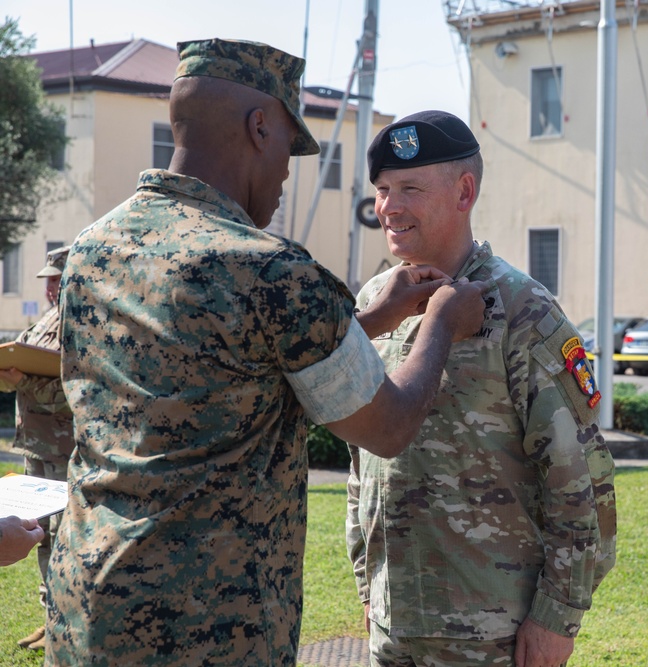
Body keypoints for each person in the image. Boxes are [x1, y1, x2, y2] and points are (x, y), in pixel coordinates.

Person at [44, 41, 485, 667]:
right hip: (207, 631)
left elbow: (222, 365)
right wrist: (442, 322)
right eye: (287, 146)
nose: (285, 172)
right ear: (259, 127)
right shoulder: (267, 270)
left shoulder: (93, 249)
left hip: (85, 607)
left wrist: (374, 318)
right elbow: (386, 427)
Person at [347, 110, 617, 667]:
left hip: (489, 636)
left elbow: (581, 483)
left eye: (411, 189)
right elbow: (360, 464)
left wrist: (556, 617)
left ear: (464, 191)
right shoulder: (374, 303)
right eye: (382, 190)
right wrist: (366, 581)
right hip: (393, 627)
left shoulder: (523, 311)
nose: (389, 208)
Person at [0, 245, 74, 651]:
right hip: (36, 448)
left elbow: (76, 392)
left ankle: (65, 623)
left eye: (56, 279)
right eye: (47, 280)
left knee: (65, 538)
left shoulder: (81, 324)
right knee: (41, 536)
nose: (49, 288)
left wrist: (23, 381)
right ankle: (50, 620)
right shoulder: (46, 321)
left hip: (66, 451)